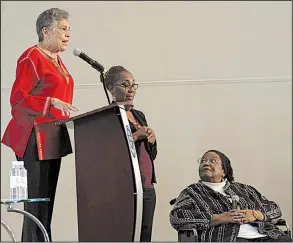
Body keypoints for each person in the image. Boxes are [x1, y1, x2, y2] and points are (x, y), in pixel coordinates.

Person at [1, 8, 78, 242]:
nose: (68, 35)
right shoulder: (31, 57)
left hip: (53, 136)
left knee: (46, 204)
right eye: (63, 29)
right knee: (34, 205)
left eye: (69, 30)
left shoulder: (57, 60)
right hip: (32, 138)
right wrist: (50, 102)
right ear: (46, 31)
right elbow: (17, 100)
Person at [169, 150, 292, 242]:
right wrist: (220, 217)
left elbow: (274, 209)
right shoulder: (192, 192)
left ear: (224, 170)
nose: (206, 163)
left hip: (268, 235)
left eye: (213, 161)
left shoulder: (244, 189)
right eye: (203, 161)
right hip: (227, 238)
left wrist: (255, 215)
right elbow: (177, 216)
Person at [104, 66, 157, 242]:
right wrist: (135, 136)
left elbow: (151, 154)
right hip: (125, 187)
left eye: (134, 85)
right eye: (125, 85)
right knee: (124, 235)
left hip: (147, 185)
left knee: (145, 235)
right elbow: (108, 152)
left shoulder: (138, 115)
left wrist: (152, 139)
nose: (131, 90)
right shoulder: (106, 116)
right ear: (111, 89)